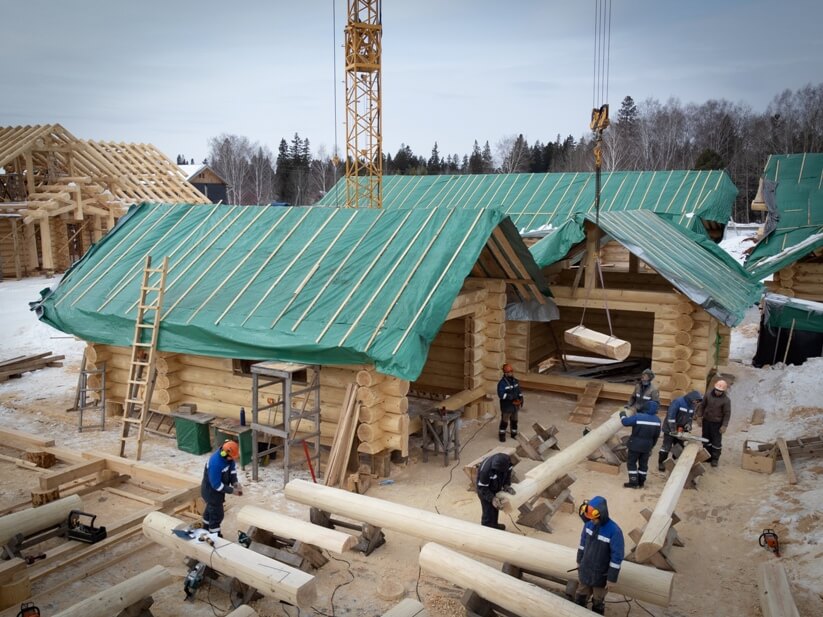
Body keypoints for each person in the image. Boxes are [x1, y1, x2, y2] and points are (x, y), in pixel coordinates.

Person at [575, 496, 624, 615]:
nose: (592, 521)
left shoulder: (614, 531)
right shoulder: (588, 525)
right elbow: (582, 544)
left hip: (601, 574)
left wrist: (611, 579)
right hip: (586, 570)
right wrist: (579, 560)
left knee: (598, 601)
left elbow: (617, 557)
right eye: (589, 518)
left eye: (594, 518)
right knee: (580, 596)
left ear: (602, 514)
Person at [201, 440, 243, 536]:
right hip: (211, 492)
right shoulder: (215, 464)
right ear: (224, 454)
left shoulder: (228, 457)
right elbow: (216, 485)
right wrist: (232, 491)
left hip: (217, 491)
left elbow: (232, 469)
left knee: (210, 510)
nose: (232, 459)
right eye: (231, 458)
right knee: (217, 515)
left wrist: (235, 482)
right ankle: (215, 536)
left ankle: (205, 528)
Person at [657, 390, 703, 471]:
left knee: (678, 446)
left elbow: (690, 417)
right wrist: (673, 429)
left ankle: (676, 460)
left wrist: (688, 425)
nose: (696, 402)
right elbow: (670, 417)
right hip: (669, 428)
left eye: (697, 401)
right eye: (696, 400)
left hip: (681, 428)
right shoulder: (678, 402)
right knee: (666, 446)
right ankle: (661, 462)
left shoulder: (692, 405)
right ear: (691, 397)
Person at [620, 400, 661, 488]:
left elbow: (625, 422)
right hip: (647, 446)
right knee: (643, 464)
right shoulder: (657, 420)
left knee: (631, 463)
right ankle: (641, 482)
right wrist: (651, 446)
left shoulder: (638, 417)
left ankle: (633, 482)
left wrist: (622, 414)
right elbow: (656, 436)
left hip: (635, 445)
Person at [695, 379, 731, 467]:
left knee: (716, 442)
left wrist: (724, 425)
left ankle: (715, 459)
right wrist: (699, 416)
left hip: (717, 424)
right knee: (706, 439)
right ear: (714, 388)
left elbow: (727, 414)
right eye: (717, 390)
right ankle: (707, 456)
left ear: (723, 391)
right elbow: (702, 406)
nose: (718, 392)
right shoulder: (708, 395)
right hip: (706, 421)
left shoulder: (726, 400)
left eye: (720, 391)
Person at [475, 452, 515, 530]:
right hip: (485, 488)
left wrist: (506, 485)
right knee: (488, 508)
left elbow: (508, 475)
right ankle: (487, 527)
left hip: (495, 485)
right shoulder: (485, 471)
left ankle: (494, 525)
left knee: (496, 507)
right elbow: (482, 488)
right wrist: (492, 498)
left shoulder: (508, 464)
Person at [497, 363, 523, 442]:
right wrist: (510, 397)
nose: (511, 373)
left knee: (514, 421)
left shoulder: (515, 381)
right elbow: (501, 394)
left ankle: (514, 434)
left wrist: (521, 399)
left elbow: (519, 391)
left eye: (511, 371)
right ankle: (502, 435)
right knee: (504, 421)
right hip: (507, 406)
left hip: (515, 406)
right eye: (509, 372)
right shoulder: (502, 383)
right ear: (505, 373)